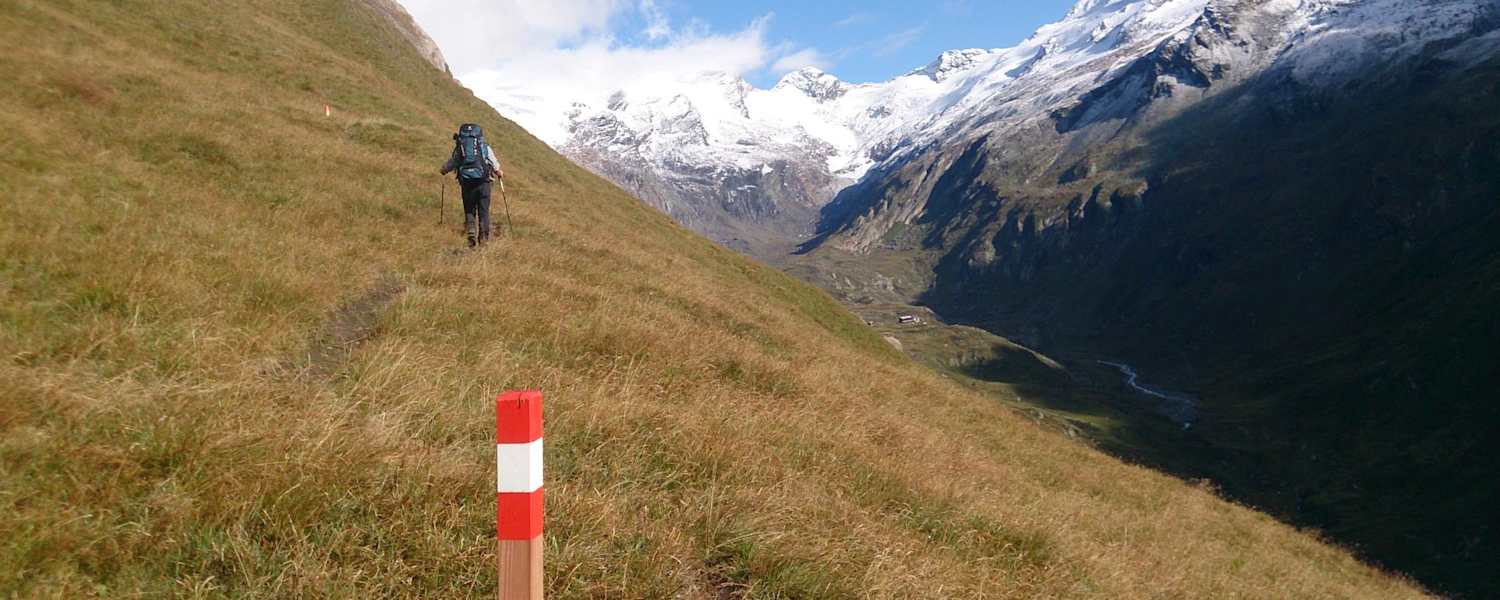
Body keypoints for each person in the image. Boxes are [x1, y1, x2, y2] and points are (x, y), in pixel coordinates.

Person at [440, 123, 503, 247]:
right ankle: (483, 240)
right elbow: (495, 166)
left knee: (469, 209)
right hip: (483, 183)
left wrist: (444, 170)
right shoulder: (484, 147)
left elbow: (453, 162)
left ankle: (471, 232)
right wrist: (499, 172)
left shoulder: (461, 148)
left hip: (467, 183)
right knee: (483, 212)